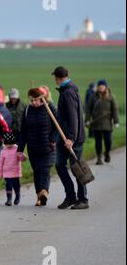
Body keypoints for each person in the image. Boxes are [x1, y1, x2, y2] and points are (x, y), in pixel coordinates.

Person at [51, 66, 88, 210]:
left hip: (73, 139)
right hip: (63, 137)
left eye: (55, 78)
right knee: (60, 165)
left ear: (58, 78)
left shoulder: (68, 92)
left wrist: (71, 138)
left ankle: (83, 199)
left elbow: (73, 117)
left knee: (77, 168)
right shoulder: (65, 91)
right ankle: (71, 196)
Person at [17, 87, 58, 206]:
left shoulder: (49, 107)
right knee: (37, 171)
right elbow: (23, 131)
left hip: (48, 146)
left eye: (36, 100)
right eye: (31, 100)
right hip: (33, 147)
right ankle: (39, 196)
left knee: (44, 169)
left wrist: (53, 139)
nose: (34, 102)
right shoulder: (27, 110)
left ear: (41, 99)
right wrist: (20, 149)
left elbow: (58, 125)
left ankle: (44, 192)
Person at [85, 79, 120, 165]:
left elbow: (115, 109)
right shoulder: (93, 97)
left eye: (102, 86)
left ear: (106, 87)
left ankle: (107, 152)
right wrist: (87, 120)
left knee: (108, 141)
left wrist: (116, 121)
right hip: (96, 124)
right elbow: (88, 109)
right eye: (99, 86)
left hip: (107, 124)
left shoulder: (111, 97)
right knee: (98, 142)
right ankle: (99, 157)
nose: (100, 87)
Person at [0, 132, 26, 206]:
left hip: (15, 172)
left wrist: (22, 156)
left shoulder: (17, 149)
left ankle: (17, 196)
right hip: (6, 173)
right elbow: (0, 164)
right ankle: (9, 199)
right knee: (8, 185)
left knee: (16, 185)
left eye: (11, 143)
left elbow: (22, 159)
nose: (9, 145)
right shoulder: (3, 151)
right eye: (7, 143)